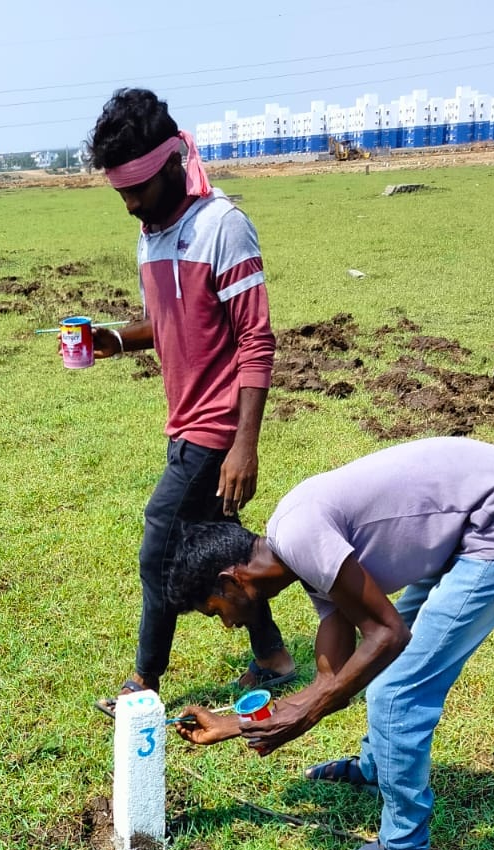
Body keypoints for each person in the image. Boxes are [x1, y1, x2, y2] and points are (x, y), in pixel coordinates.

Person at [166, 437, 494, 850]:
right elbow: (331, 676)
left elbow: (388, 635)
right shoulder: (297, 552)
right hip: (475, 516)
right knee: (382, 673)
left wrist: (308, 713)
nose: (226, 625)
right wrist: (236, 725)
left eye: (215, 611)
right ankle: (381, 765)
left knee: (397, 689)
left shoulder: (301, 538)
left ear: (230, 582)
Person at [85, 87, 296, 716]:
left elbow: (256, 339)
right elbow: (164, 322)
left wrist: (244, 444)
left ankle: (144, 683)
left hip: (216, 428)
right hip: (181, 422)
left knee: (161, 546)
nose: (130, 205)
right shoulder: (151, 235)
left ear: (175, 161)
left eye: (138, 189)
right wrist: (115, 339)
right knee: (225, 544)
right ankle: (275, 656)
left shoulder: (222, 226)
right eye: (120, 192)